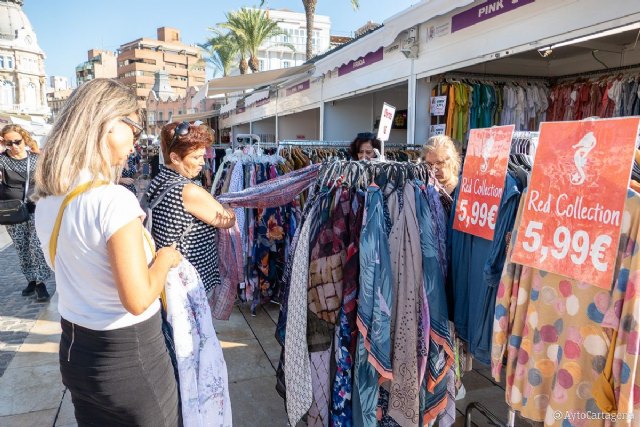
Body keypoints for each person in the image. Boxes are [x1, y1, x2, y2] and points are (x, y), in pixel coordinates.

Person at [33, 78, 182, 426]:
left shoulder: (48, 199)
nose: (136, 140)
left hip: (76, 350)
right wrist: (164, 259)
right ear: (107, 123)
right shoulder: (112, 201)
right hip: (128, 356)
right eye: (133, 127)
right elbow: (138, 298)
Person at [145, 121, 236, 295]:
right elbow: (226, 220)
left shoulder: (159, 181)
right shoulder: (188, 191)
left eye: (202, 156)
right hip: (190, 279)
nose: (202, 162)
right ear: (175, 158)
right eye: (196, 157)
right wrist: (227, 205)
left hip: (170, 276)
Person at [0, 124, 51, 301]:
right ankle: (31, 279)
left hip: (36, 209)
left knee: (37, 247)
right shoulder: (2, 160)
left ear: (24, 139)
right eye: (8, 143)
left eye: (17, 141)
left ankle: (40, 283)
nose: (14, 146)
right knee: (22, 249)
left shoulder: (35, 159)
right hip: (12, 212)